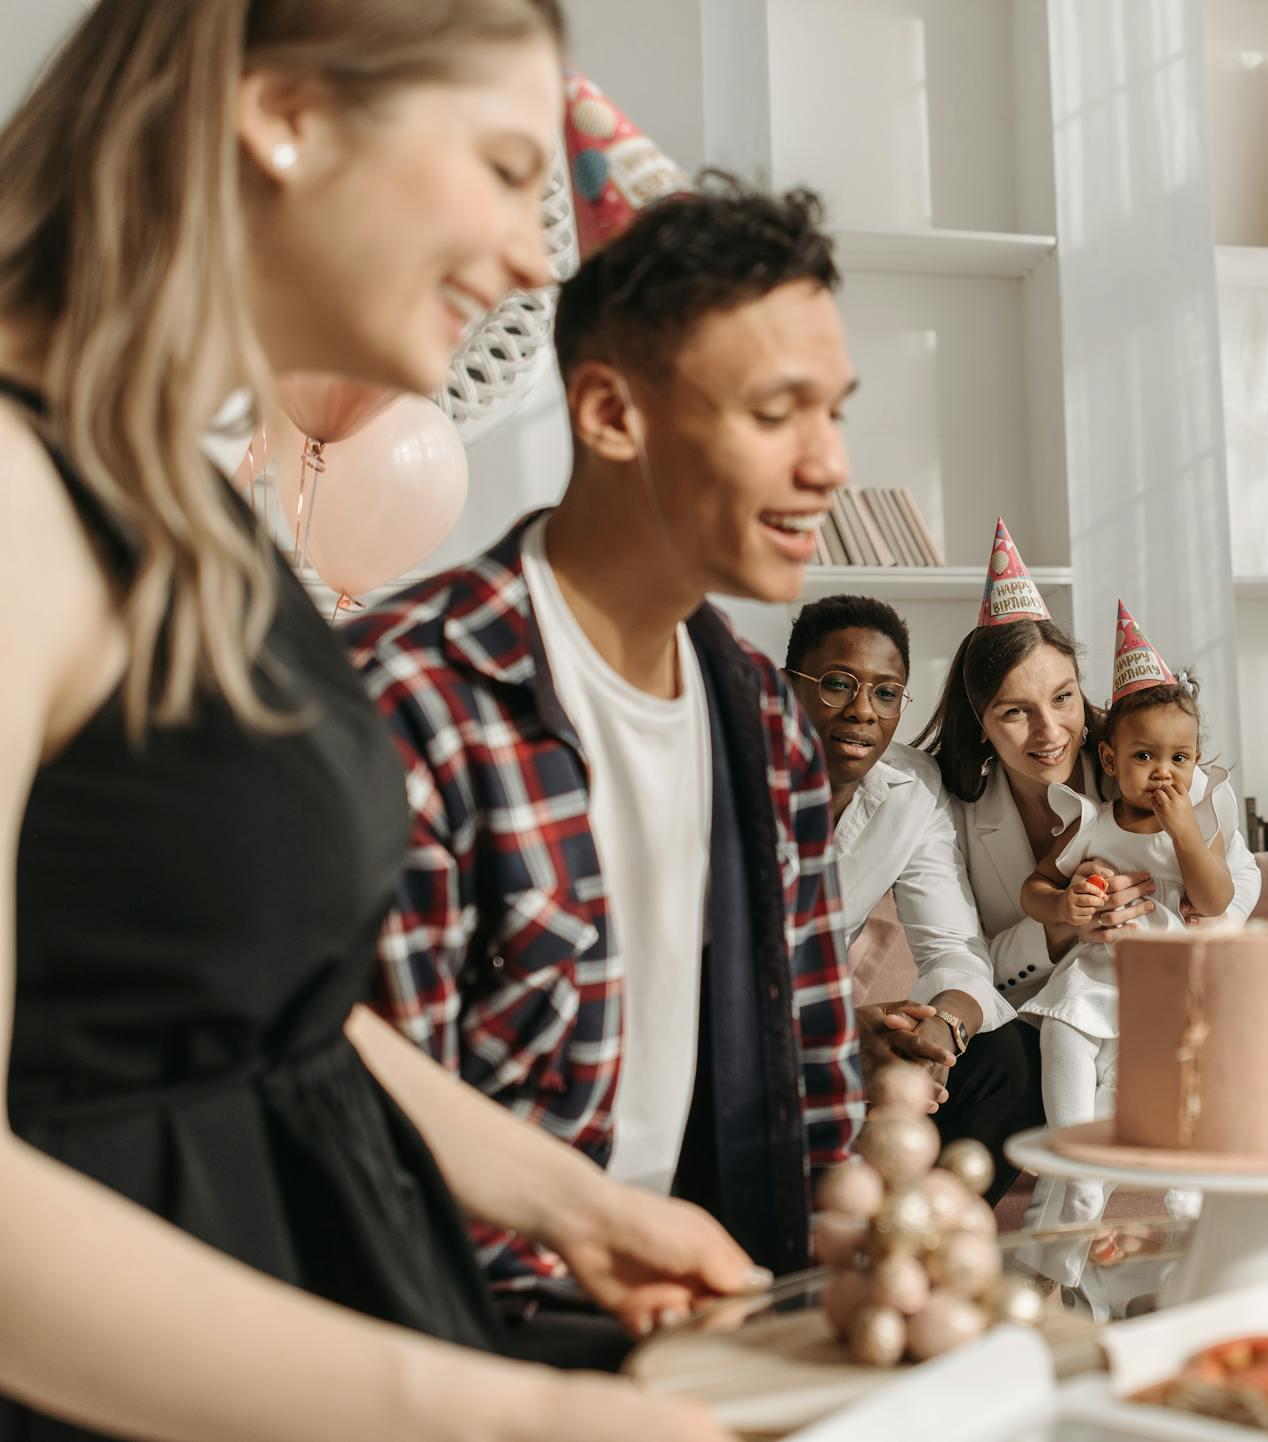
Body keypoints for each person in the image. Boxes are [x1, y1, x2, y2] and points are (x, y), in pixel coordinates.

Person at [0, 2, 742, 1438]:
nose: (539, 257)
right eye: (500, 164)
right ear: (284, 114)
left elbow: (258, 1013)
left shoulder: (176, 493)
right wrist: (507, 1417)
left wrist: (569, 1199)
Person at [344, 136, 862, 1345]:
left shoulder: (766, 719)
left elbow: (814, 1077)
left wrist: (866, 1247)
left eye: (835, 411)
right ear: (612, 412)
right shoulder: (416, 697)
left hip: (728, 1311)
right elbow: (369, 1142)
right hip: (480, 1348)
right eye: (776, 411)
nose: (829, 461)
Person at [916, 523, 1267, 1187]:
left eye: (1063, 699)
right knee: (1018, 1063)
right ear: (981, 721)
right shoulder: (957, 812)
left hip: (1168, 982)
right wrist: (1059, 925)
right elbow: (969, 958)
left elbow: (1240, 878)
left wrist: (1196, 915)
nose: (1049, 732)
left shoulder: (1147, 763)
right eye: (1014, 713)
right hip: (1049, 1017)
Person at [782, 594, 1039, 1201]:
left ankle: (925, 1249)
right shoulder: (732, 778)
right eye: (837, 684)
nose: (862, 712)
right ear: (785, 687)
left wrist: (941, 1031)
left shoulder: (913, 789)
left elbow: (952, 945)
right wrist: (840, 1035)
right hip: (738, 1038)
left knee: (1009, 1059)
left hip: (837, 1037)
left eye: (886, 692)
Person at [1019, 604, 1237, 1224]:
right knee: (1063, 1038)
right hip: (1096, 972)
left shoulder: (1197, 826)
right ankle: (1078, 1159)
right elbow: (1031, 889)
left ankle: (1181, 1179)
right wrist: (1064, 902)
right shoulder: (1090, 823)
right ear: (1111, 761)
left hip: (1169, 979)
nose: (1164, 773)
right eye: (1145, 757)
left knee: (1177, 1065)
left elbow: (1215, 900)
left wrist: (1186, 833)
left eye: (1180, 759)